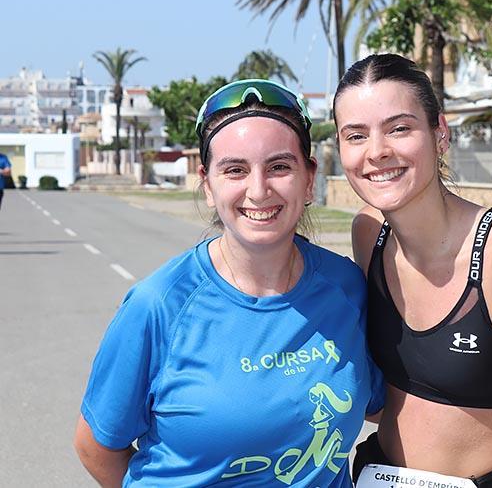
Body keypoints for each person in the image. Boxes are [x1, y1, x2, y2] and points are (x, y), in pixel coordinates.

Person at [73, 79, 384, 487]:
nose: (258, 190)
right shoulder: (158, 305)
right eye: (235, 170)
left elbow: (382, 405)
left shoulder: (346, 287)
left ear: (309, 179)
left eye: (279, 167)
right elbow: (96, 446)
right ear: (207, 183)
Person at [333, 54, 492, 488]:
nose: (377, 151)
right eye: (356, 135)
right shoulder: (369, 235)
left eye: (399, 128)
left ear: (439, 133)